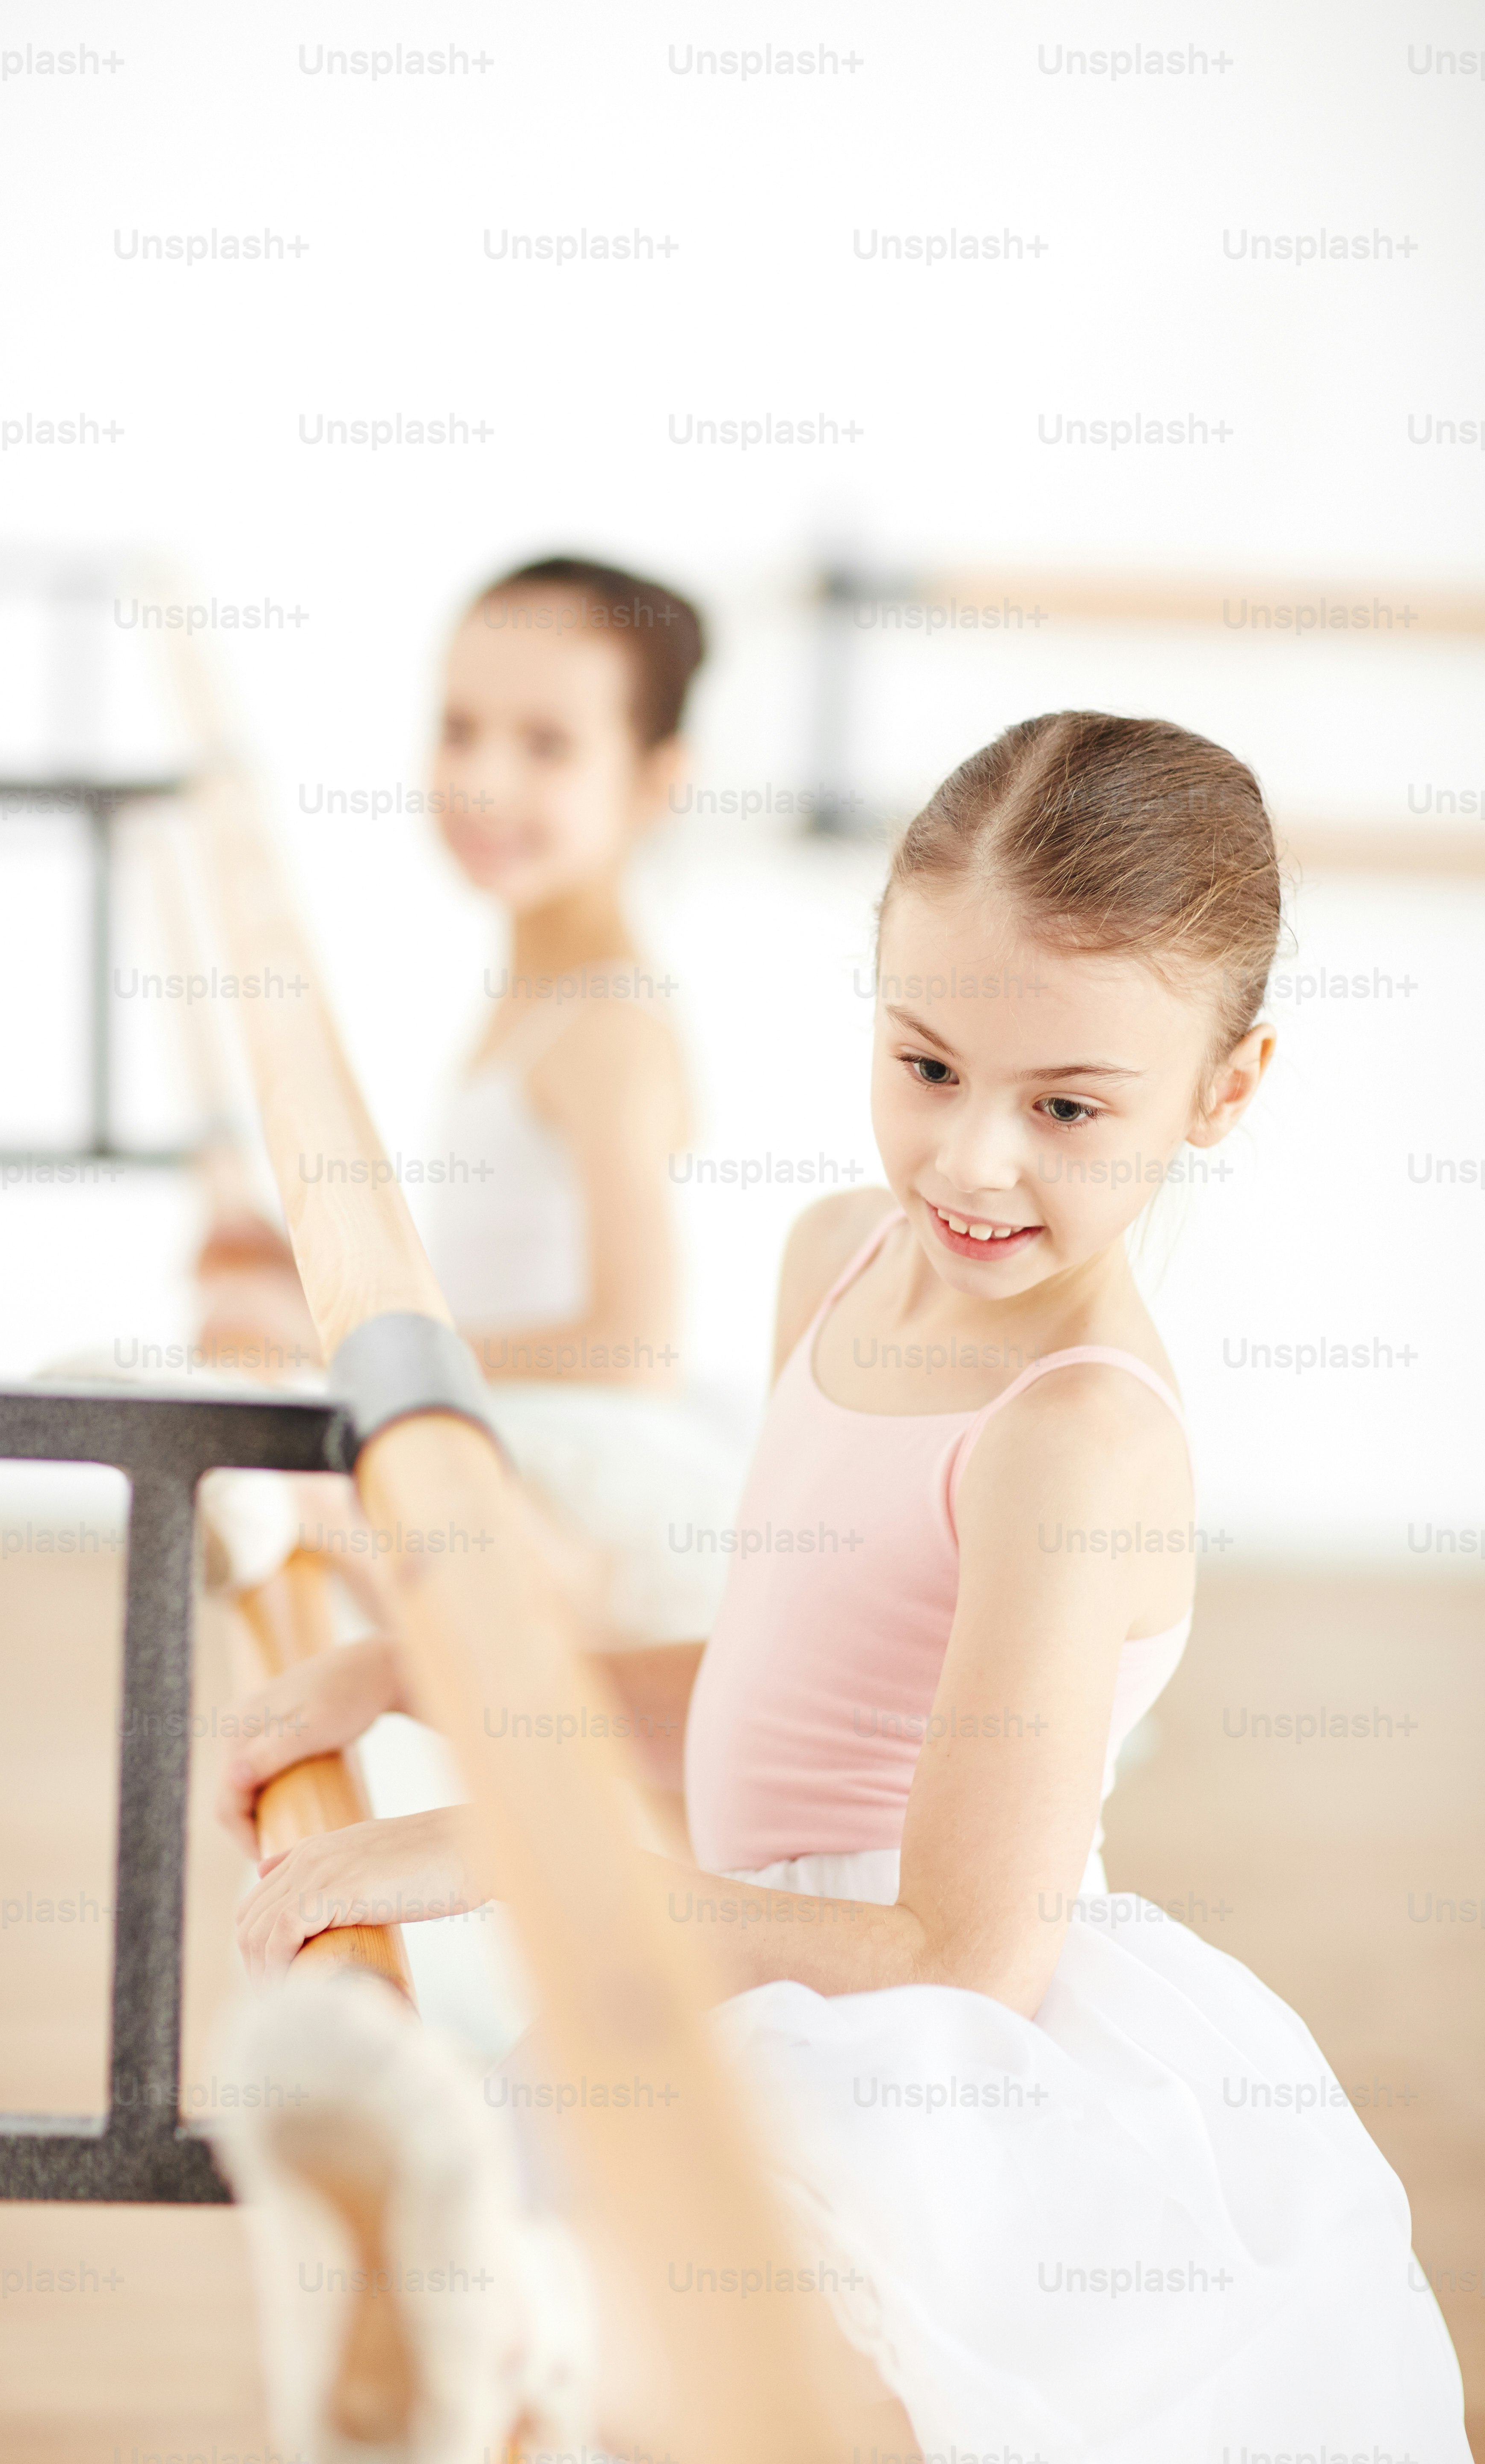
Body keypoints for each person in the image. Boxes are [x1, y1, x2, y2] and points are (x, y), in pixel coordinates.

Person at [220, 713, 1470, 2458]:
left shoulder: (1073, 1440)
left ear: (1226, 1087)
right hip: (755, 1937)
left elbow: (955, 1954)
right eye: (927, 1064)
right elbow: (779, 1687)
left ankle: (505, 2333)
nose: (971, 1158)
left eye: (1066, 1108)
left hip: (920, 2040)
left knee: (715, 2329)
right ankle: (494, 2327)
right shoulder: (837, 1256)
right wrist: (434, 1687)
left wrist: (535, 1848)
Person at [420, 553, 748, 1653]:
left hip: (581, 1476)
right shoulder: (531, 986)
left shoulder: (606, 1027)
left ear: (657, 782)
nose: (484, 780)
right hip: (509, 1433)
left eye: (547, 745)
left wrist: (408, 1352)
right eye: (460, 728)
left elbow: (636, 1345)